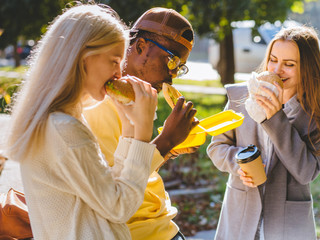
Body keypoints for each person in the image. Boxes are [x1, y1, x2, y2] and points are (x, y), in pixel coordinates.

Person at [6, 4, 159, 239]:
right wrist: (143, 135)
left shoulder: (60, 119)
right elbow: (119, 207)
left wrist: (129, 129)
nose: (120, 73)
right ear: (83, 58)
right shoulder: (65, 129)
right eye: (114, 60)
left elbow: (106, 189)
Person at [207, 26, 320, 240]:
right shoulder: (241, 97)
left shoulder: (317, 114)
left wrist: (275, 118)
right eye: (273, 59)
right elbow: (216, 147)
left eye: (289, 64)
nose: (277, 69)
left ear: (307, 68)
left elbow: (306, 172)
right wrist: (238, 164)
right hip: (240, 216)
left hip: (288, 224)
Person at [83, 7, 198, 240]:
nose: (172, 74)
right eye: (171, 60)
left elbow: (134, 165)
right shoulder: (99, 101)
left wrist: (169, 150)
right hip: (135, 231)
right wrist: (165, 141)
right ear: (141, 46)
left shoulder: (139, 94)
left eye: (179, 67)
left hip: (163, 224)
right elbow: (114, 187)